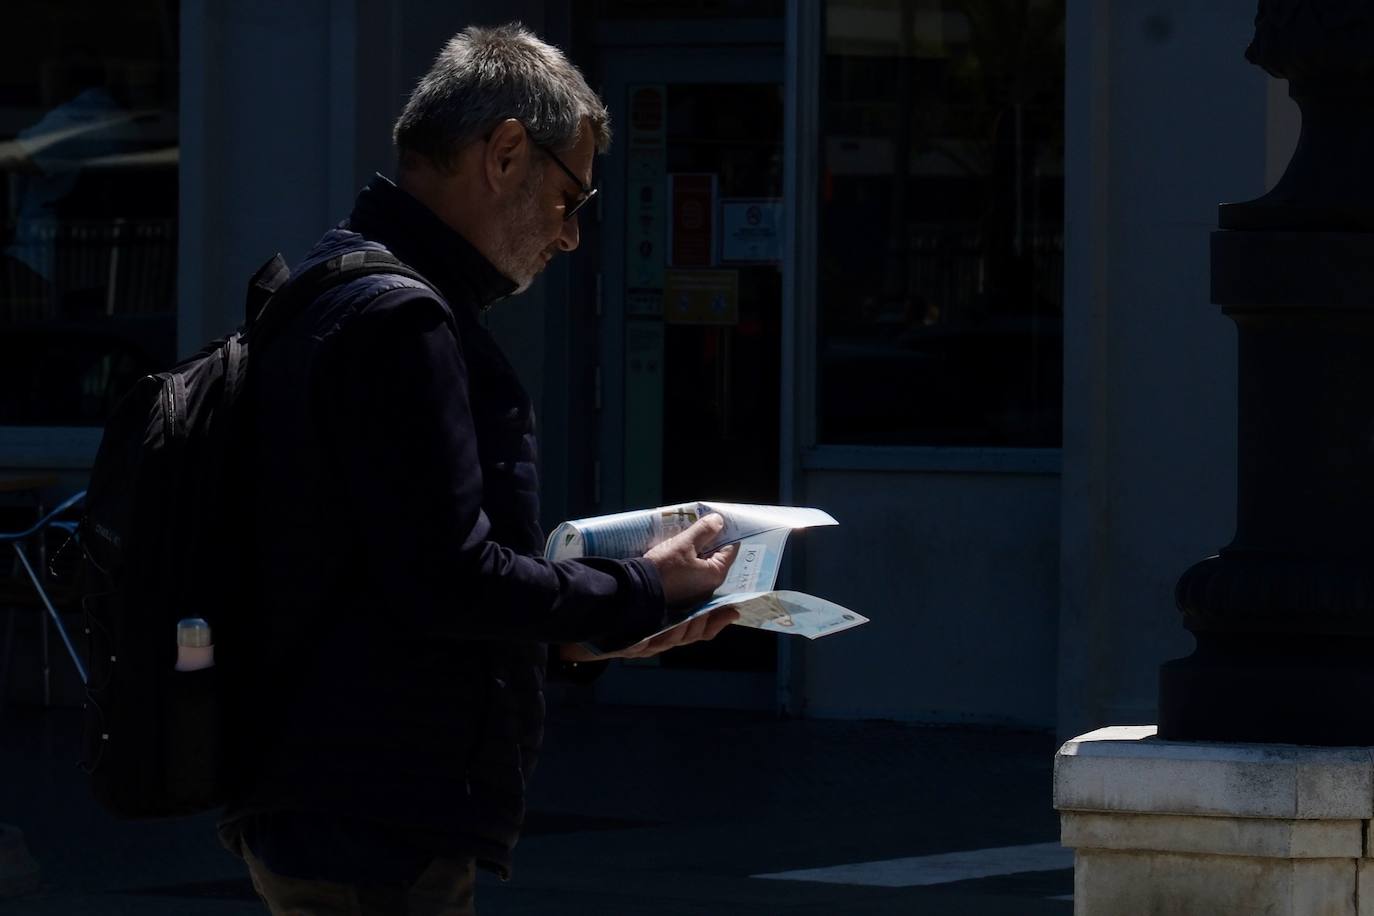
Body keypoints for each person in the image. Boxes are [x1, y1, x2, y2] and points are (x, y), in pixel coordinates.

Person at [219, 23, 739, 915]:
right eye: (570, 198)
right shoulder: (399, 320)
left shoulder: (333, 289)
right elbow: (448, 578)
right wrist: (638, 591)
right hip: (373, 818)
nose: (570, 235)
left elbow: (386, 578)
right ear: (504, 152)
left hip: (332, 800)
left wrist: (580, 633)